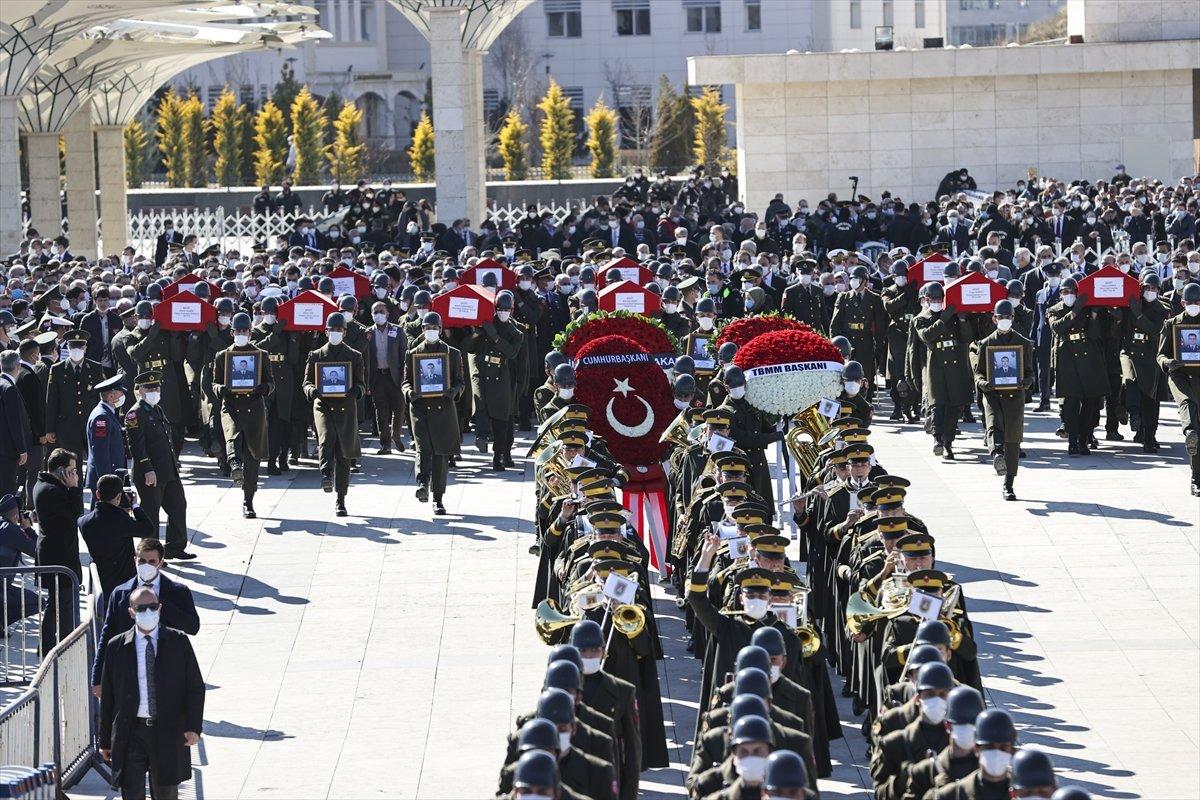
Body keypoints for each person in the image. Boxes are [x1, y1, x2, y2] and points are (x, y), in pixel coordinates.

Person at [98, 585, 205, 800]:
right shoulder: (116, 647)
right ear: (131, 612)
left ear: (160, 608)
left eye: (152, 607)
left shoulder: (178, 642)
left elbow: (194, 687)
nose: (147, 612)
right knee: (132, 792)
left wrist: (193, 727)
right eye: (141, 608)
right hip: (131, 732)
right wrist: (105, 740)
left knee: (166, 793)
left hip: (166, 731)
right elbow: (108, 697)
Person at [92, 538, 200, 696]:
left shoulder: (178, 592)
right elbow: (108, 634)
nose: (146, 565)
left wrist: (157, 603)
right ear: (135, 560)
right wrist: (97, 678)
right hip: (129, 671)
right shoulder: (120, 593)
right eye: (142, 561)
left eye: (151, 561)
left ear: (160, 562)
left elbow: (192, 627)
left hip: (166, 671)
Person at [402, 312, 465, 516]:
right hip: (420, 408)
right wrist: (409, 393)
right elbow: (406, 382)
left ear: (440, 329)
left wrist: (453, 392)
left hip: (443, 409)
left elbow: (460, 382)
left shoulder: (453, 354)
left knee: (440, 454)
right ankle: (422, 483)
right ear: (422, 330)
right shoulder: (412, 354)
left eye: (435, 327)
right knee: (423, 447)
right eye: (427, 328)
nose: (431, 331)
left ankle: (438, 498)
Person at [125, 372, 193, 560]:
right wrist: (148, 470)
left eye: (156, 387)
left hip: (168, 471)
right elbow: (136, 446)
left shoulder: (157, 409)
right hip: (151, 473)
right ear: (140, 391)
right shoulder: (134, 414)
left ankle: (175, 547)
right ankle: (149, 556)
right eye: (149, 388)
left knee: (178, 506)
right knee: (151, 516)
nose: (154, 391)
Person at [303, 313, 365, 516]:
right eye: (332, 330)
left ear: (345, 332)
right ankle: (326, 473)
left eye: (339, 330)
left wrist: (356, 391)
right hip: (324, 404)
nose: (335, 333)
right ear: (326, 331)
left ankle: (341, 499)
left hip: (346, 406)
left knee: (344, 453)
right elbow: (306, 383)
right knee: (326, 437)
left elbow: (361, 383)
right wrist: (312, 391)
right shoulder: (316, 355)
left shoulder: (355, 356)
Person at [212, 314, 272, 518]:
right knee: (233, 434)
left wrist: (264, 388)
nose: (241, 334)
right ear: (232, 333)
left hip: (254, 407)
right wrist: (221, 389)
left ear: (250, 332)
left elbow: (271, 383)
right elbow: (215, 383)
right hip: (231, 405)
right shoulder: (222, 356)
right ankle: (234, 464)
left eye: (244, 331)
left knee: (253, 457)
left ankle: (248, 500)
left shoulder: (261, 355)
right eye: (237, 331)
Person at [974, 300, 1035, 500]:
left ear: (1013, 319)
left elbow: (1030, 373)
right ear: (994, 319)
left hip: (1015, 397)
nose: (1004, 321)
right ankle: (996, 455)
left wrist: (1024, 383)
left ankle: (1008, 483)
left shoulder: (1023, 343)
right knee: (993, 425)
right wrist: (984, 384)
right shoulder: (985, 343)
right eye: (1001, 317)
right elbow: (979, 373)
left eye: (1008, 317)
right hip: (992, 395)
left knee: (1013, 441)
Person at [466, 291, 527, 471]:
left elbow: (512, 352)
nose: (503, 312)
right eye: (500, 309)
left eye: (506, 309)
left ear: (512, 309)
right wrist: (477, 333)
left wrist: (495, 336)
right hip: (483, 371)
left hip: (503, 375)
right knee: (481, 404)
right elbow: (468, 348)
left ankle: (498, 455)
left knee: (502, 419)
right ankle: (482, 435)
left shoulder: (516, 331)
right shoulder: (486, 324)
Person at [32, 447, 83, 655]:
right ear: (61, 471)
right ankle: (57, 647)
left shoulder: (48, 485)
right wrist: (74, 488)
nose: (76, 475)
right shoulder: (52, 490)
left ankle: (49, 646)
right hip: (58, 556)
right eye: (72, 470)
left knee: (56, 604)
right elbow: (75, 513)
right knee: (60, 604)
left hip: (58, 554)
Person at [79, 473, 156, 594]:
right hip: (123, 584)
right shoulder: (121, 520)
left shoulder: (83, 522)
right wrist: (135, 506)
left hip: (99, 582)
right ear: (119, 497)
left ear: (97, 494)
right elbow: (148, 529)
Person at [1157, 282, 1200, 495]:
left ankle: (1196, 475)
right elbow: (1160, 354)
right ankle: (1189, 431)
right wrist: (1167, 363)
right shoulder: (1172, 325)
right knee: (1187, 403)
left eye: (1197, 302)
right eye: (1190, 302)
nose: (1193, 305)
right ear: (1182, 303)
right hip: (1180, 375)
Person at [367, 299, 408, 455]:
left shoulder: (398, 331)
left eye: (381, 312)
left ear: (387, 314)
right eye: (375, 312)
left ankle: (396, 435)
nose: (378, 315)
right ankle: (385, 444)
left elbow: (405, 354)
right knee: (381, 411)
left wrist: (405, 376)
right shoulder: (368, 333)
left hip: (394, 376)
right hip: (377, 377)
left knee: (399, 408)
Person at [0, 493, 39, 630]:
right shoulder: (12, 531)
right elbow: (38, 551)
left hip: (3, 587)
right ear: (16, 516)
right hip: (1, 589)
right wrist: (28, 528)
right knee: (38, 602)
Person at [85, 374, 128, 499]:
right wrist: (107, 481)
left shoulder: (107, 412)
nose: (123, 396)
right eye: (120, 392)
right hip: (105, 479)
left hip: (110, 476)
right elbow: (100, 451)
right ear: (111, 396)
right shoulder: (101, 417)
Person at [0, 349, 31, 497]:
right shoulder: (9, 388)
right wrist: (22, 450)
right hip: (8, 450)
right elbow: (15, 422)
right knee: (7, 489)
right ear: (18, 366)